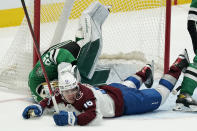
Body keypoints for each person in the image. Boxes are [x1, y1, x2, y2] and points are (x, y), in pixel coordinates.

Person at [22, 49, 189, 126]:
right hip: (110, 89)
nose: (71, 94)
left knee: (159, 97)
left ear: (77, 86)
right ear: (62, 90)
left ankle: (179, 63)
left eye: (74, 89)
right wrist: (38, 107)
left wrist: (71, 120)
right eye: (68, 91)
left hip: (124, 102)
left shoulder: (84, 96)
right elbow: (50, 101)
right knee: (126, 85)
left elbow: (94, 116)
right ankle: (144, 72)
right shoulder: (63, 93)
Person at [28, 1, 111, 103]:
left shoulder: (37, 80)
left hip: (62, 54)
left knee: (83, 71)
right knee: (80, 50)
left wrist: (65, 71)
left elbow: (56, 54)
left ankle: (90, 26)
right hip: (63, 51)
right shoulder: (39, 86)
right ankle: (83, 27)